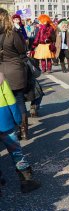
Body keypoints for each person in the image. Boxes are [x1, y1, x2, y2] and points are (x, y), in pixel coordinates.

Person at [0, 72, 40, 193]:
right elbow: (11, 101)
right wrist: (18, 120)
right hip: (4, 122)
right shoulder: (0, 77)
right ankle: (26, 181)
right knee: (16, 152)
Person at [0, 8, 29, 140]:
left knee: (5, 103)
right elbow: (22, 49)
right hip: (15, 70)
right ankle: (23, 130)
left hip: (1, 72)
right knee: (19, 100)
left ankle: (10, 131)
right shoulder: (13, 34)